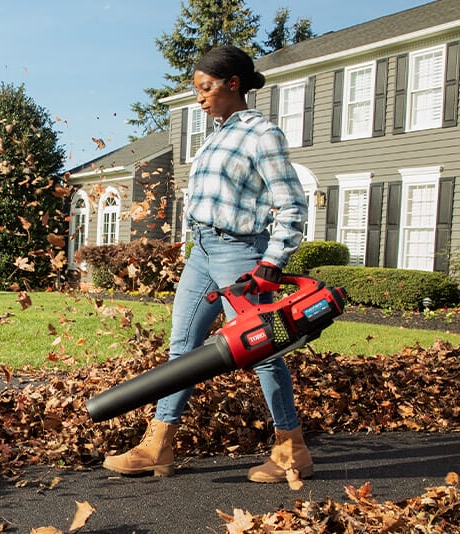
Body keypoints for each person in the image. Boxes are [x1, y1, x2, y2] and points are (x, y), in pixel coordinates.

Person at [102, 45, 310, 483]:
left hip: (242, 256)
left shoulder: (261, 134)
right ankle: (158, 443)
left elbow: (292, 204)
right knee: (182, 348)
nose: (199, 98)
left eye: (205, 88)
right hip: (203, 252)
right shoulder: (213, 136)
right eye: (197, 90)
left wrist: (273, 259)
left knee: (263, 351)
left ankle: (292, 450)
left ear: (232, 84)